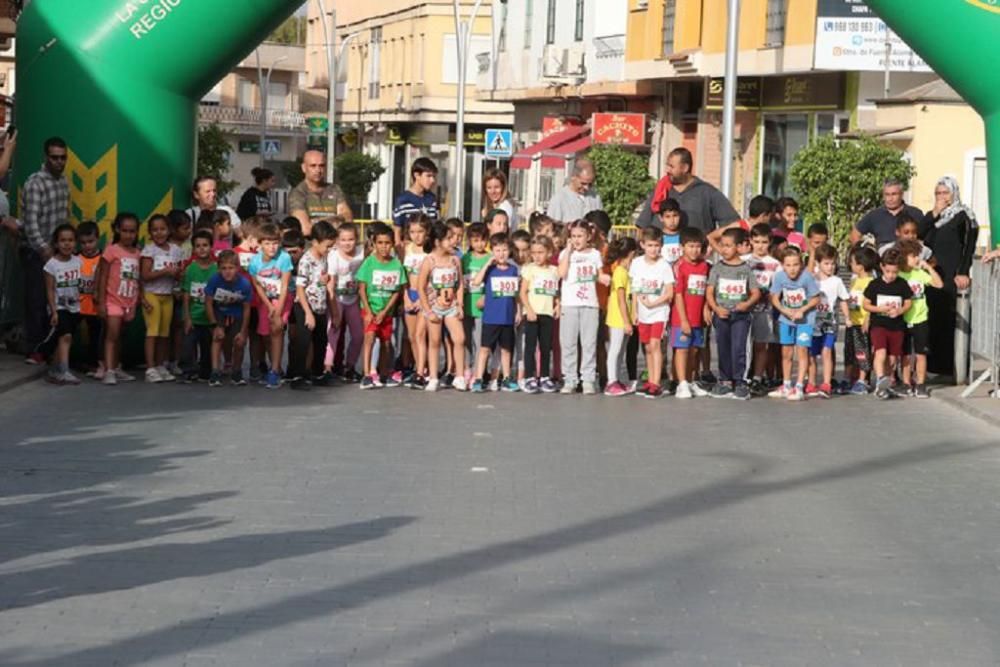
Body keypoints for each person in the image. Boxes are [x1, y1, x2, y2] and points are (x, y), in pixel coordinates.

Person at [919, 175, 978, 378]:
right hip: (932, 275)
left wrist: (962, 271)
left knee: (950, 318)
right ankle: (933, 366)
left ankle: (952, 367)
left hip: (952, 274)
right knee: (932, 319)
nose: (941, 197)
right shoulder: (933, 218)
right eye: (938, 193)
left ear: (954, 193)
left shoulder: (964, 216)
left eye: (945, 193)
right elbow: (919, 235)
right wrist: (935, 213)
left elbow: (968, 246)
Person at [22, 137, 71, 364]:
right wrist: (44, 250)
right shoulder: (35, 182)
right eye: (55, 157)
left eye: (63, 157)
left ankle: (47, 350)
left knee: (54, 301)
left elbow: (64, 217)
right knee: (37, 299)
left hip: (56, 252)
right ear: (46, 157)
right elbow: (30, 222)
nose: (59, 162)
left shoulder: (64, 183)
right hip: (36, 252)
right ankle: (34, 349)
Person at [706, 228, 760, 400]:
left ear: (738, 247)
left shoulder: (746, 269)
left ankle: (740, 381)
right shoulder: (717, 268)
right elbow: (709, 291)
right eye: (722, 245)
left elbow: (756, 292)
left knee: (739, 347)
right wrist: (715, 308)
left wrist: (746, 304)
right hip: (721, 315)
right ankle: (725, 380)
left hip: (740, 316)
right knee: (723, 347)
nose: (724, 249)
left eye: (728, 246)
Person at [636, 147, 740, 235]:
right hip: (660, 256)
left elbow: (733, 225)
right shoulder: (661, 189)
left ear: (685, 168)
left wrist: (711, 242)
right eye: (667, 166)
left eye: (671, 166)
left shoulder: (708, 193)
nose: (667, 170)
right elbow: (642, 226)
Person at [416, 222, 466, 392]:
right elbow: (420, 288)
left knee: (459, 338)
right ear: (438, 242)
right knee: (435, 341)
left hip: (451, 306)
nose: (454, 241)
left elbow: (459, 284)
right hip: (434, 307)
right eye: (449, 238)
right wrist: (428, 311)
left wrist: (460, 305)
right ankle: (433, 377)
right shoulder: (429, 261)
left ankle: (459, 376)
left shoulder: (455, 260)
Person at [558, 220, 607, 395]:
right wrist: (569, 251)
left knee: (589, 343)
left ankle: (588, 378)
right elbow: (561, 274)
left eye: (580, 236)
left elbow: (600, 275)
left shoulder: (594, 254)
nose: (577, 240)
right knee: (569, 343)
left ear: (588, 236)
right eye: (574, 236)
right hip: (570, 304)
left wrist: (604, 278)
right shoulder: (565, 253)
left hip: (589, 304)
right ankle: (570, 378)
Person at [289, 220, 338, 390]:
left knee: (321, 340)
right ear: (316, 242)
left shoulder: (324, 258)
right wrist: (307, 313)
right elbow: (300, 289)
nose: (330, 249)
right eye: (328, 246)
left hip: (320, 305)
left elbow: (320, 279)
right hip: (305, 306)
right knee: (303, 341)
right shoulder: (306, 261)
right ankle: (297, 376)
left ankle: (318, 373)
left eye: (332, 246)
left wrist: (325, 280)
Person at [356, 223, 406, 388]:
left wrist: (385, 311)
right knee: (369, 338)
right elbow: (362, 288)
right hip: (370, 309)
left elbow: (397, 291)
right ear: (375, 244)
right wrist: (368, 311)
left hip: (386, 311)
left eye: (387, 243)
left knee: (386, 342)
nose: (384, 247)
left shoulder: (396, 265)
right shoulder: (369, 263)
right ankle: (367, 374)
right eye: (380, 243)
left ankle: (385, 373)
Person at [768, 248, 821, 401]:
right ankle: (786, 384)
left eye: (796, 265)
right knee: (786, 352)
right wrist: (784, 311)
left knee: (802, 350)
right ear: (783, 265)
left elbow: (815, 298)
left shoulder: (807, 278)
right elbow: (775, 297)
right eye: (789, 265)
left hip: (805, 320)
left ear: (801, 264)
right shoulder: (779, 277)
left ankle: (799, 386)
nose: (792, 269)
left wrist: (802, 310)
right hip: (786, 319)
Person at [629, 227, 675, 398]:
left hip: (659, 313)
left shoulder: (664, 265)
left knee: (656, 345)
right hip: (643, 314)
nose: (653, 249)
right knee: (647, 347)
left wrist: (654, 303)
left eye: (656, 245)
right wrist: (634, 311)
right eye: (650, 245)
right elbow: (634, 291)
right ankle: (650, 379)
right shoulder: (637, 263)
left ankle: (656, 383)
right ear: (643, 245)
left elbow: (669, 292)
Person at [96, 213, 141, 386]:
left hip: (129, 300)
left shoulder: (137, 253)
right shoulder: (111, 250)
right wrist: (101, 301)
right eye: (125, 231)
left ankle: (117, 366)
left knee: (121, 335)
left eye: (132, 231)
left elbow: (138, 279)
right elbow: (103, 275)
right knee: (112, 334)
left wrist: (137, 300)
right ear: (117, 230)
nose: (129, 235)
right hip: (112, 300)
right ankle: (108, 370)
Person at [471, 233, 519, 393]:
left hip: (507, 316)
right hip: (491, 317)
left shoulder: (513, 270)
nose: (501, 254)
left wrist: (518, 311)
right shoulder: (490, 269)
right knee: (485, 348)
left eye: (504, 250)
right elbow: (476, 282)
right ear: (492, 251)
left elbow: (516, 294)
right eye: (497, 250)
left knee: (506, 349)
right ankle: (478, 378)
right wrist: (487, 264)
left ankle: (506, 378)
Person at [140, 214, 185, 383]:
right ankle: (150, 367)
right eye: (155, 230)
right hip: (151, 294)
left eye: (162, 229)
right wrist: (165, 272)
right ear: (150, 233)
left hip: (168, 295)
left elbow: (179, 273)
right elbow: (145, 275)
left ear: (169, 230)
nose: (159, 233)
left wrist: (179, 275)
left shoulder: (176, 250)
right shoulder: (149, 250)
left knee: (164, 333)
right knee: (152, 331)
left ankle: (161, 364)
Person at [863, 248, 913, 400]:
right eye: (888, 271)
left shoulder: (902, 284)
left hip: (896, 326)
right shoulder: (875, 284)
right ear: (882, 267)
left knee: (892, 359)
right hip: (879, 324)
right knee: (880, 352)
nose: (891, 275)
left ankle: (884, 384)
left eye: (895, 272)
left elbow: (908, 303)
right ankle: (879, 378)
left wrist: (900, 311)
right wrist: (880, 309)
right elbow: (865, 304)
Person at [248, 223, 294, 389]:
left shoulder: (284, 258)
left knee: (276, 330)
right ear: (260, 244)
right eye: (267, 243)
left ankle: (274, 370)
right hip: (265, 301)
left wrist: (278, 309)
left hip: (282, 298)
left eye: (275, 243)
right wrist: (269, 306)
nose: (272, 247)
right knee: (266, 334)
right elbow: (257, 286)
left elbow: (284, 285)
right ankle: (275, 366)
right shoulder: (254, 262)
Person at [898, 239, 944, 398]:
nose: (917, 258)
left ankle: (921, 383)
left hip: (920, 318)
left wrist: (928, 267)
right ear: (904, 257)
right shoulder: (899, 275)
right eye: (913, 256)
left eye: (917, 255)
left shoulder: (920, 274)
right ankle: (905, 382)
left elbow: (939, 285)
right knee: (904, 354)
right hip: (903, 319)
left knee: (920, 353)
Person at [203, 250, 253, 386]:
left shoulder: (244, 284)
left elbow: (247, 308)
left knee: (239, 342)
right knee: (218, 338)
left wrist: (243, 331)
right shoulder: (214, 280)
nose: (227, 272)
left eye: (231, 268)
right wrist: (214, 325)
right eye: (224, 268)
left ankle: (236, 371)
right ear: (219, 269)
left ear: (237, 268)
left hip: (237, 315)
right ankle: (215, 371)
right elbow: (208, 302)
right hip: (219, 313)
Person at [807, 244, 850, 399]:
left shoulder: (837, 281)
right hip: (812, 322)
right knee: (811, 354)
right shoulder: (811, 280)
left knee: (826, 352)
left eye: (832, 263)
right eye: (826, 263)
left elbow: (843, 300)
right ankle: (811, 382)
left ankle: (826, 384)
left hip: (830, 322)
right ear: (818, 263)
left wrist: (847, 317)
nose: (830, 266)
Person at [672, 227, 711, 399]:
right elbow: (678, 295)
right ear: (682, 247)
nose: (694, 250)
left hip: (698, 318)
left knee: (694, 350)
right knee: (682, 350)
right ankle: (681, 383)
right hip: (682, 318)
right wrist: (684, 320)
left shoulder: (704, 266)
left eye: (697, 246)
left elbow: (703, 292)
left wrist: (705, 309)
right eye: (690, 246)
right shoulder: (679, 266)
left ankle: (690, 380)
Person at [520, 234, 561, 394]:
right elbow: (523, 292)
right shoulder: (529, 269)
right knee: (530, 346)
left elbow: (555, 291)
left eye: (541, 252)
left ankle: (544, 376)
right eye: (534, 252)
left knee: (545, 346)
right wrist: (528, 310)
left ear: (549, 252)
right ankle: (529, 377)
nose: (537, 256)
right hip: (532, 313)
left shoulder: (553, 271)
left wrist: (557, 304)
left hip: (547, 313)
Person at [41, 224, 82, 385]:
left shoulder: (78, 261)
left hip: (75, 306)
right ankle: (64, 371)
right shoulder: (51, 265)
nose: (67, 244)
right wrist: (53, 311)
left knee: (64, 339)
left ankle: (54, 370)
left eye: (71, 240)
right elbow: (50, 289)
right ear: (56, 244)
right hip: (59, 307)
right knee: (66, 336)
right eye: (63, 240)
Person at [325, 222, 365, 382]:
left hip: (354, 299)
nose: (347, 243)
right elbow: (331, 284)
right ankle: (327, 367)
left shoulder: (362, 253)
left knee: (358, 336)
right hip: (338, 299)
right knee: (332, 333)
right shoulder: (334, 256)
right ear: (337, 242)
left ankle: (350, 367)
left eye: (351, 239)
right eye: (343, 240)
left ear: (357, 240)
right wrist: (334, 311)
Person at [745, 223, 782, 393]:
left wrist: (772, 293)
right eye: (757, 241)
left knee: (762, 345)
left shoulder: (775, 264)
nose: (760, 246)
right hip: (745, 309)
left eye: (764, 242)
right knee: (744, 345)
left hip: (765, 309)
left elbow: (779, 287)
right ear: (751, 241)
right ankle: (742, 375)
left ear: (770, 242)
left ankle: (758, 377)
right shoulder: (745, 261)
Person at [181, 230, 218, 383]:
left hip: (209, 317)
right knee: (189, 346)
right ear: (193, 249)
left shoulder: (216, 270)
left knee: (207, 346)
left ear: (211, 247)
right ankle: (189, 370)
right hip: (194, 316)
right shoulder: (191, 269)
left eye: (205, 245)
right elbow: (186, 295)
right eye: (198, 246)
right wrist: (187, 317)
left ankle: (206, 371)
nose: (202, 249)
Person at [288, 151, 353, 236]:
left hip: (336, 246)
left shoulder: (334, 189)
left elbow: (348, 219)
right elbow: (305, 229)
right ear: (304, 168)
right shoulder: (298, 193)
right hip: (311, 246)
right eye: (313, 166)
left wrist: (315, 222)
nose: (318, 170)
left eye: (321, 166)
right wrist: (336, 219)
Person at [602, 237, 636, 397]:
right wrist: (626, 321)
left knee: (621, 349)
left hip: (623, 316)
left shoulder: (625, 272)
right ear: (631, 254)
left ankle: (616, 378)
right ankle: (611, 381)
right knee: (615, 349)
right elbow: (621, 300)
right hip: (618, 317)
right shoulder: (620, 273)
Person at [401, 215, 431, 387]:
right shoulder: (407, 248)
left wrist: (423, 299)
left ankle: (421, 371)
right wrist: (405, 297)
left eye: (420, 231)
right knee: (412, 336)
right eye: (412, 232)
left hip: (424, 296)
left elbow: (432, 278)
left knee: (421, 335)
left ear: (427, 232)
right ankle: (419, 369)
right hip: (409, 294)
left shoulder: (429, 250)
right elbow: (402, 275)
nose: (416, 235)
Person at [845, 246, 879, 395]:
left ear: (861, 265)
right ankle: (850, 378)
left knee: (862, 352)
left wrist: (867, 318)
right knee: (850, 351)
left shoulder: (870, 282)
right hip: (852, 322)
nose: (850, 265)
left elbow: (873, 302)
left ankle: (863, 380)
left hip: (862, 323)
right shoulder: (854, 280)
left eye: (852, 262)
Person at [851, 178, 924, 246]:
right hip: (883, 257)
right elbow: (855, 235)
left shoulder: (915, 214)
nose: (890, 198)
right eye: (887, 194)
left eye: (894, 194)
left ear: (902, 194)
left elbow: (926, 238)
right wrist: (866, 254)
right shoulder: (875, 215)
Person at [461, 222, 491, 381]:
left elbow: (492, 282)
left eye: (482, 240)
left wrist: (486, 297)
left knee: (480, 340)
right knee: (466, 339)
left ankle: (478, 371)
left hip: (482, 306)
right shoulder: (465, 258)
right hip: (466, 304)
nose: (479, 244)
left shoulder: (490, 258)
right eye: (475, 240)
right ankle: (466, 367)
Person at [75, 222, 104, 377]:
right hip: (78, 305)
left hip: (95, 306)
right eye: (83, 242)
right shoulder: (75, 258)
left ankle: (92, 363)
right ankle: (73, 360)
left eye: (91, 241)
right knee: (73, 334)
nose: (87, 246)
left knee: (95, 336)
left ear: (98, 239)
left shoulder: (103, 259)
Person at [393, 158, 439, 246]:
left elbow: (434, 227)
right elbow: (397, 231)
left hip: (428, 251)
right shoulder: (403, 200)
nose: (432, 180)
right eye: (428, 176)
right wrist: (401, 254)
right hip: (410, 252)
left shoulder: (432, 198)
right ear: (417, 175)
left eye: (434, 176)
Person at [545, 159, 603, 224]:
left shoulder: (595, 197)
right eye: (583, 183)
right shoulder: (559, 199)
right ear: (573, 177)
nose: (587, 188)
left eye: (590, 184)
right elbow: (553, 227)